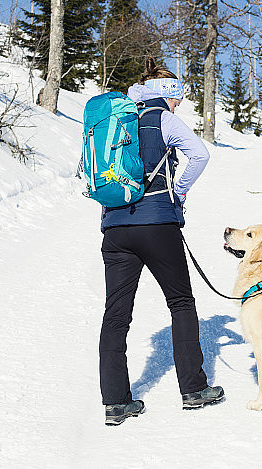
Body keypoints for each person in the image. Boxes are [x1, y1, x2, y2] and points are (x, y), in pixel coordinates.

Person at [99, 57, 224, 426]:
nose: (178, 105)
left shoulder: (116, 120)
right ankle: (193, 390)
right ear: (169, 95)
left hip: (115, 227)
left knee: (116, 314)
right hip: (157, 223)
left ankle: (115, 402)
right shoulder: (162, 118)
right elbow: (199, 155)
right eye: (178, 99)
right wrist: (178, 193)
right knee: (181, 302)